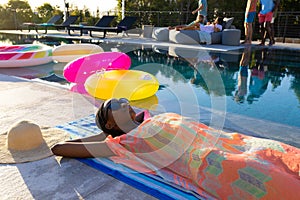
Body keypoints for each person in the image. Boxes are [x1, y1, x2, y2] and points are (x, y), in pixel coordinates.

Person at [51, 98, 300, 199]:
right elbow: (59, 148)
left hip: (231, 141)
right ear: (109, 122)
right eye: (116, 103)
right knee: (265, 175)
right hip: (210, 161)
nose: (125, 102)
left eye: (125, 100)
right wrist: (108, 135)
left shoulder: (149, 119)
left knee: (278, 153)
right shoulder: (121, 145)